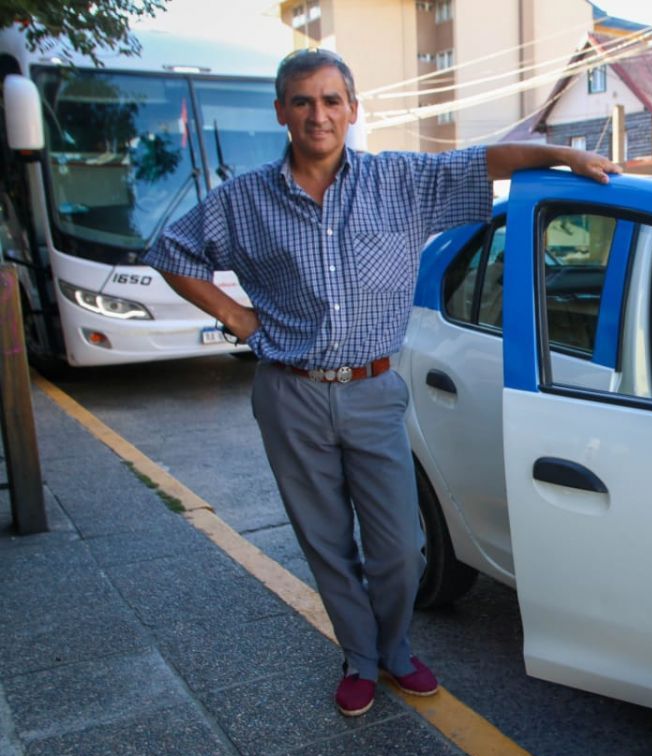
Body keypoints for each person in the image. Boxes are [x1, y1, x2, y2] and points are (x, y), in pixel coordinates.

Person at [145, 48, 620, 717]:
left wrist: (566, 158)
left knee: (402, 544)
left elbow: (486, 161)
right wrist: (235, 316)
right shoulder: (244, 200)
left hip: (372, 390)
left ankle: (396, 644)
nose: (319, 114)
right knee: (326, 537)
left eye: (332, 100)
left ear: (353, 109)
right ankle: (361, 656)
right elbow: (171, 251)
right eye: (303, 101)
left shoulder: (398, 180)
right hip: (290, 392)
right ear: (282, 112)